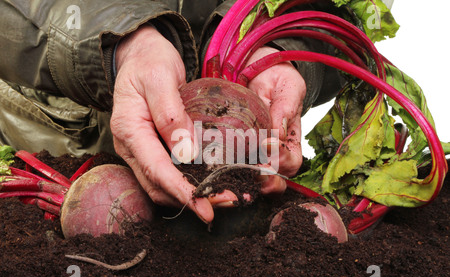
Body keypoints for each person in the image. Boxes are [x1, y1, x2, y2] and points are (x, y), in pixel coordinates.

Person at [0, 0, 343, 224]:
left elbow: (337, 13)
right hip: (68, 122)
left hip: (247, 118)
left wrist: (285, 49)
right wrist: (120, 46)